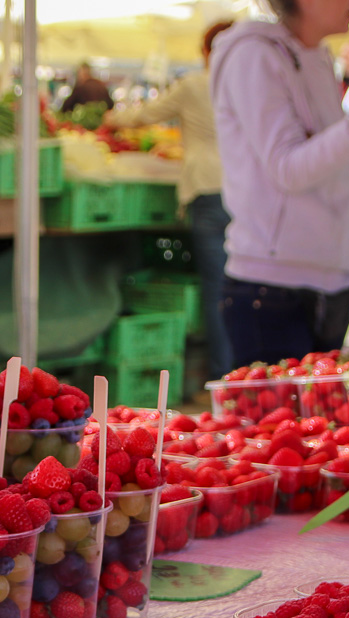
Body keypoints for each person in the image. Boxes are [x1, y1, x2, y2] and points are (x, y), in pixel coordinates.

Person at [211, 0, 349, 364]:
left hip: (326, 284)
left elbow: (326, 167)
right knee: (274, 421)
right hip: (274, 287)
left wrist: (345, 259)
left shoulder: (316, 56)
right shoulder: (253, 55)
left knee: (313, 419)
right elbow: (289, 168)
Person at [105, 21, 235, 380]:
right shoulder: (249, 86)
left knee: (216, 286)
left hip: (207, 188)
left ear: (206, 51)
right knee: (240, 283)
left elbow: (146, 114)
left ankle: (223, 375)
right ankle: (240, 371)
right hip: (244, 190)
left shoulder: (195, 84)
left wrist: (112, 118)